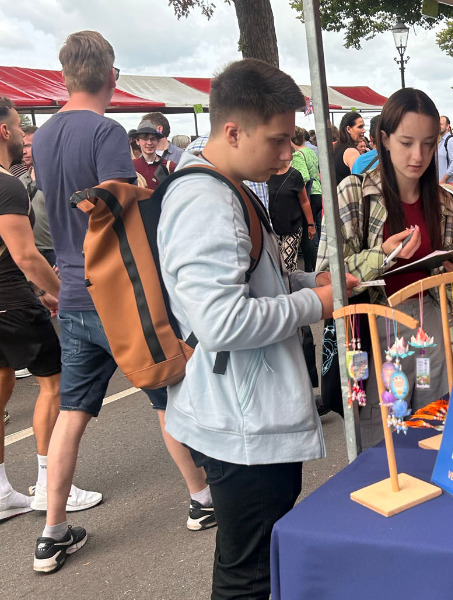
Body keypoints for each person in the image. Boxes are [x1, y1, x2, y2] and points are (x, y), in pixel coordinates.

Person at [158, 58, 355, 600]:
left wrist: (312, 280)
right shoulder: (205, 201)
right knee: (247, 576)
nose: (289, 154)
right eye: (278, 140)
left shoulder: (230, 187)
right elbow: (221, 321)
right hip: (241, 426)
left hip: (247, 415)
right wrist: (316, 304)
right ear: (232, 130)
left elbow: (258, 280)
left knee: (255, 561)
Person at [31, 31, 213, 575]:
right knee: (165, 393)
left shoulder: (42, 139)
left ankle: (52, 530)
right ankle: (201, 499)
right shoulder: (107, 131)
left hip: (72, 292)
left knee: (72, 411)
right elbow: (112, 206)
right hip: (117, 293)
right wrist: (146, 191)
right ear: (112, 77)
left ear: (65, 76)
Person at [316, 88, 453, 442]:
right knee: (381, 444)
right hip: (374, 336)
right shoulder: (353, 194)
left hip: (431, 333)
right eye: (406, 142)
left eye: (429, 144)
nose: (419, 155)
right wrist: (381, 256)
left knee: (433, 434)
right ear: (384, 139)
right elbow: (325, 274)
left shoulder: (445, 202)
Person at [0, 97, 71, 523]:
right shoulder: (7, 185)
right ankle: (49, 485)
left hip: (10, 297)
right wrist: (60, 292)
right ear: (3, 131)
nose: (25, 135)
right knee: (56, 385)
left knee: (3, 385)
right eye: (18, 125)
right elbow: (26, 255)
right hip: (10, 303)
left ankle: (2, 491)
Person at [268, 157, 315, 273]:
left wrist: (310, 224)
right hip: (273, 228)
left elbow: (304, 201)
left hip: (292, 227)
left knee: (288, 266)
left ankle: (290, 289)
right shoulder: (267, 175)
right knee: (276, 265)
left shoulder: (295, 175)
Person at [20, 126, 55, 267]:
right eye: (23, 146)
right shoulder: (22, 179)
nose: (24, 151)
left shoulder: (56, 178)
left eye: (28, 145)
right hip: (31, 250)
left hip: (55, 251)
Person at [292, 126, 321, 270]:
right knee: (316, 227)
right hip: (318, 191)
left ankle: (312, 267)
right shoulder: (310, 151)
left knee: (309, 231)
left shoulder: (297, 155)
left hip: (308, 195)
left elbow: (303, 177)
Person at [132, 120, 176, 190]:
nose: (149, 143)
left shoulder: (170, 167)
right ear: (137, 141)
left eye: (153, 139)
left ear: (157, 141)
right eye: (145, 139)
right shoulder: (131, 166)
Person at [333, 111, 365, 183]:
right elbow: (359, 181)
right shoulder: (351, 151)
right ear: (348, 129)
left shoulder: (336, 147)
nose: (364, 130)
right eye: (360, 127)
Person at [437, 115, 453, 188]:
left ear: (448, 126)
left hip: (449, 184)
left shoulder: (450, 141)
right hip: (442, 183)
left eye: (441, 124)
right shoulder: (441, 142)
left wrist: (444, 179)